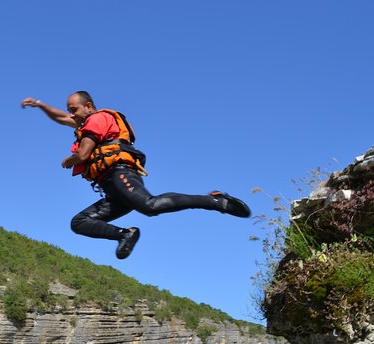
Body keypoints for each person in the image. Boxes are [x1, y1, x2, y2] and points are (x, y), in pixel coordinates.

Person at [21, 91, 250, 259]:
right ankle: (125, 234)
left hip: (121, 175)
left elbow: (83, 155)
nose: (71, 114)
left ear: (88, 106)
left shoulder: (98, 119)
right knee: (79, 222)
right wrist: (40, 104)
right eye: (70, 110)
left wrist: (67, 160)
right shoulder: (85, 120)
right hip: (113, 190)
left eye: (74, 109)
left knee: (150, 206)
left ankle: (216, 200)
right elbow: (60, 117)